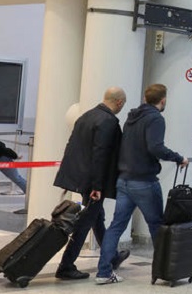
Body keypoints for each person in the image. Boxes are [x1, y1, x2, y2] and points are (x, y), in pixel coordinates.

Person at [96, 84, 188, 284]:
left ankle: (103, 272)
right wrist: (178, 157)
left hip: (124, 180)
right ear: (162, 100)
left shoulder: (131, 117)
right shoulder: (156, 118)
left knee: (116, 226)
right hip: (144, 181)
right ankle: (163, 271)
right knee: (157, 226)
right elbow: (155, 147)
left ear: (146, 98)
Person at [53, 87, 128, 280]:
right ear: (119, 102)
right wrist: (97, 186)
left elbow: (72, 147)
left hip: (81, 177)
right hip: (93, 181)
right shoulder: (108, 122)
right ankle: (66, 265)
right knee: (85, 222)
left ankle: (111, 256)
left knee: (96, 216)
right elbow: (100, 155)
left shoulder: (86, 116)